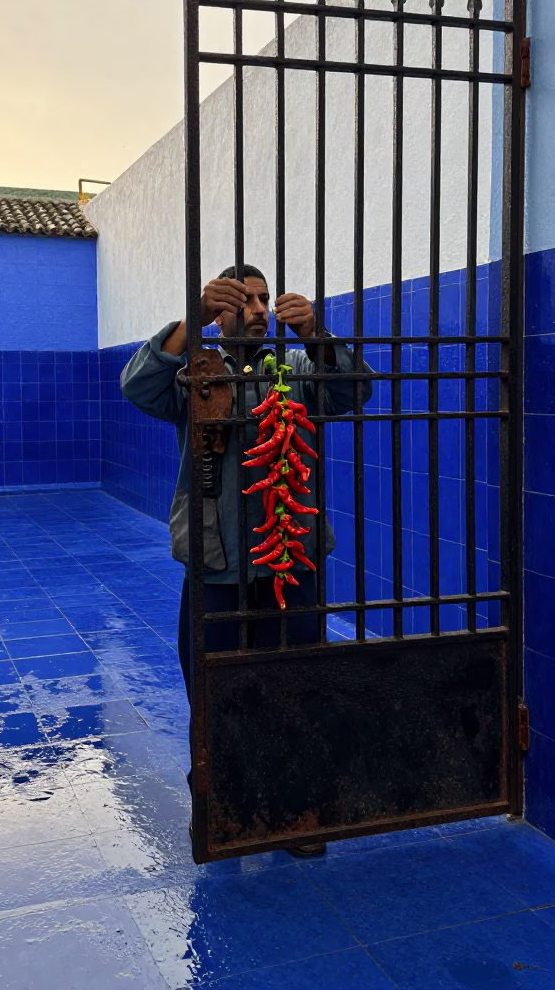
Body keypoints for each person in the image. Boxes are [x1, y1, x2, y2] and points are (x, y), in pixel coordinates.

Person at [121, 265, 372, 857]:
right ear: (221, 310)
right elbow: (137, 386)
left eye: (264, 298)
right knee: (211, 688)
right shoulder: (197, 371)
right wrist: (192, 320)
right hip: (217, 560)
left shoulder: (293, 370)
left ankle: (295, 809)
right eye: (244, 300)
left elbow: (353, 391)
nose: (258, 308)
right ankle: (218, 804)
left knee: (295, 681)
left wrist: (315, 333)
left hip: (290, 561)